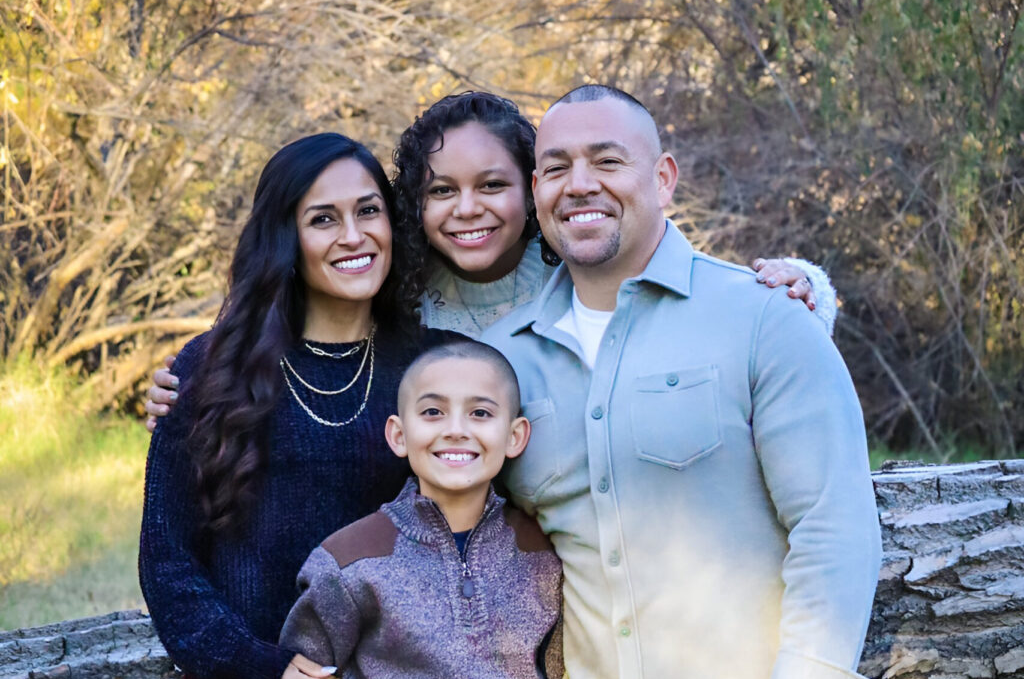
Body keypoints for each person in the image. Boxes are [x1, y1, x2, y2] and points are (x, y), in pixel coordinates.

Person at [476, 85, 891, 679]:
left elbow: (834, 528)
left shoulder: (765, 320)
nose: (579, 184)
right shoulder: (500, 364)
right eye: (555, 168)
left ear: (662, 177)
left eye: (606, 161)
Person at [143, 92, 834, 430]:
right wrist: (189, 385)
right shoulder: (403, 302)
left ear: (533, 189)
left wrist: (805, 285)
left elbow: (682, 291)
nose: (467, 208)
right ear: (413, 202)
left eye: (493, 186)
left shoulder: (574, 270)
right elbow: (306, 333)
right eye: (442, 191)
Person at [139, 133, 452, 679]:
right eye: (322, 219)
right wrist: (260, 669)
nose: (354, 235)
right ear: (286, 240)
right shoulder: (210, 369)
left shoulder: (434, 367)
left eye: (368, 210)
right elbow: (168, 562)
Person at [267, 340, 562, 679]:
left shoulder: (543, 556)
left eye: (480, 413)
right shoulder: (350, 562)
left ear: (515, 436)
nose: (456, 429)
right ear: (399, 435)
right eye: (432, 412)